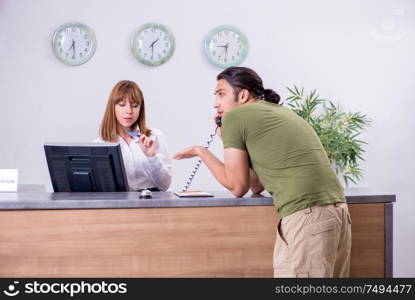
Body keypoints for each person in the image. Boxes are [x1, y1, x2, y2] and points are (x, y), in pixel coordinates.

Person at [174, 67, 351, 278]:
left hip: (306, 217)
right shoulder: (280, 111)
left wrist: (201, 152)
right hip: (336, 213)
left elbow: (237, 186)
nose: (215, 103)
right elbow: (256, 184)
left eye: (221, 94)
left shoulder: (236, 117)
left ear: (243, 95)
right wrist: (226, 138)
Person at [96, 80, 172, 192]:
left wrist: (152, 156)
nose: (129, 111)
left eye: (135, 106)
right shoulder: (100, 144)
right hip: (119, 204)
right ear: (112, 107)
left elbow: (165, 185)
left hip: (151, 202)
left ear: (140, 109)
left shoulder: (154, 136)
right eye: (122, 105)